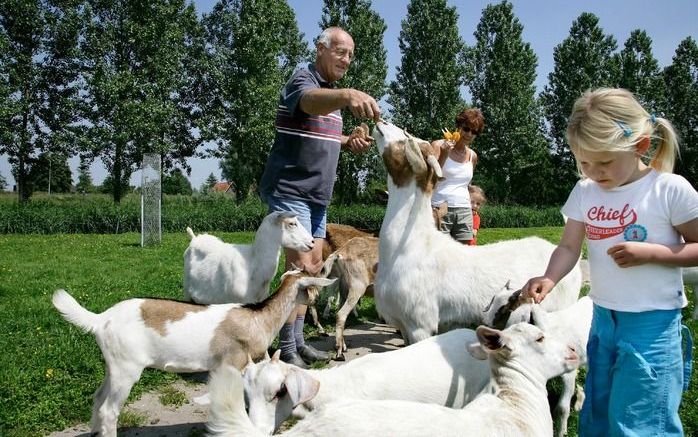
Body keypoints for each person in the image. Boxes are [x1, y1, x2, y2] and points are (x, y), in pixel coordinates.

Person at [521, 88, 698, 437]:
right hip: (603, 320)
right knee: (598, 412)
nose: (594, 171)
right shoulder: (585, 191)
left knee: (640, 419)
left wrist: (654, 254)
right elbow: (570, 247)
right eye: (584, 162)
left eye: (604, 162)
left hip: (652, 324)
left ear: (640, 146)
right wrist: (550, 277)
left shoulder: (669, 190)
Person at [259, 27, 380, 368]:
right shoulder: (303, 80)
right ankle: (285, 349)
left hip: (316, 196)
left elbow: (317, 132)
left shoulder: (329, 93)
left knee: (310, 269)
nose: (346, 59)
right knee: (299, 269)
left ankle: (297, 341)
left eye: (350, 55)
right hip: (291, 188)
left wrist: (348, 141)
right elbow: (307, 103)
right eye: (340, 51)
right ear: (321, 49)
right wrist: (347, 95)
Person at [430, 108, 485, 245]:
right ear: (458, 126)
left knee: (463, 254)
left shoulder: (473, 156)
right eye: (466, 129)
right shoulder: (438, 145)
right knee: (437, 252)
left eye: (474, 132)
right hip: (440, 208)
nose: (469, 134)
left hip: (464, 209)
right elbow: (430, 180)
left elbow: (465, 185)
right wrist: (444, 154)